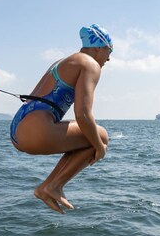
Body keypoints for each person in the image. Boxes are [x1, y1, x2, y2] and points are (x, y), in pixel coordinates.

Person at [10, 24, 113, 214]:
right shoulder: (90, 64)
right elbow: (82, 114)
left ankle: (50, 186)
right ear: (99, 47)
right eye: (109, 50)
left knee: (90, 137)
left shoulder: (64, 61)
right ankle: (52, 186)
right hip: (37, 130)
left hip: (19, 128)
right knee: (102, 136)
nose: (109, 57)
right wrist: (100, 148)